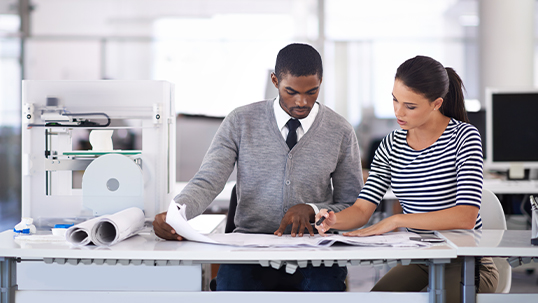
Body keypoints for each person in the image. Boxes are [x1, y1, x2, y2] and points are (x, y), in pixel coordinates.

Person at [153, 43, 364, 291]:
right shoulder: (240, 121)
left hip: (315, 254)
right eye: (291, 91)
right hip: (248, 251)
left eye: (312, 91)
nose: (302, 101)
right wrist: (176, 214)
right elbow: (208, 180)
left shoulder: (340, 130)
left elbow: (353, 204)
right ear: (275, 81)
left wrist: (313, 209)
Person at [315, 55, 499, 301]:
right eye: (394, 100)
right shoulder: (391, 145)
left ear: (436, 104)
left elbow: (465, 216)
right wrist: (333, 219)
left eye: (410, 106)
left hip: (466, 259)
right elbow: (361, 209)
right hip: (422, 258)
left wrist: (397, 219)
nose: (398, 112)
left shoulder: (464, 137)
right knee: (378, 299)